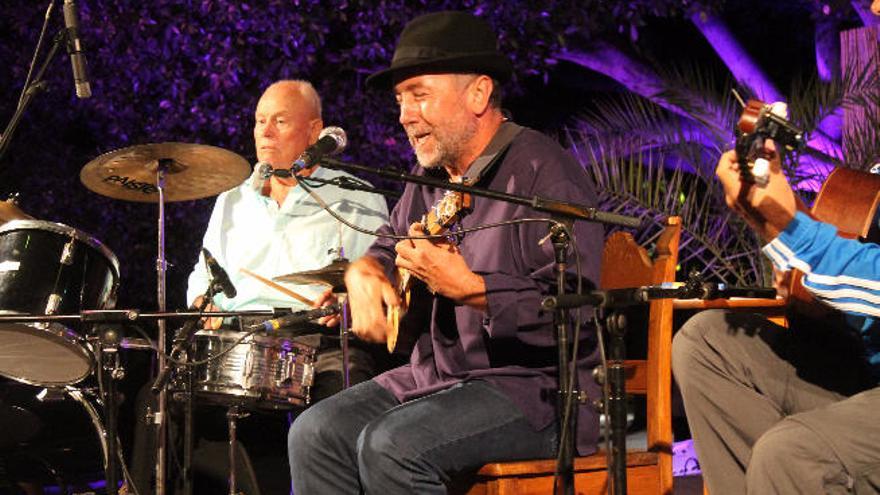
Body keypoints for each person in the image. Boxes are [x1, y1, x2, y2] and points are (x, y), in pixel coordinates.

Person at [288, 11, 605, 494]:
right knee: (315, 433)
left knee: (392, 444)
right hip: (435, 380)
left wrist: (474, 290)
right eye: (400, 100)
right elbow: (385, 249)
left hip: (535, 392)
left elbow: (577, 311)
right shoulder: (427, 186)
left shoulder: (544, 173)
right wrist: (366, 272)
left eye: (420, 94)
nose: (404, 116)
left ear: (478, 93)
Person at [130, 80, 389, 493]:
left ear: (314, 130)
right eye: (259, 121)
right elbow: (204, 270)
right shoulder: (233, 199)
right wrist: (202, 299)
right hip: (240, 339)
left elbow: (377, 278)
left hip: (315, 340)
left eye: (280, 121)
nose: (264, 132)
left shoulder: (356, 198)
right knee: (158, 395)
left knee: (348, 384)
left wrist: (345, 300)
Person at [672, 141, 880, 494]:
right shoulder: (871, 182)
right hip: (862, 372)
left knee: (790, 452)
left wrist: (793, 232)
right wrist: (763, 215)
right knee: (706, 343)